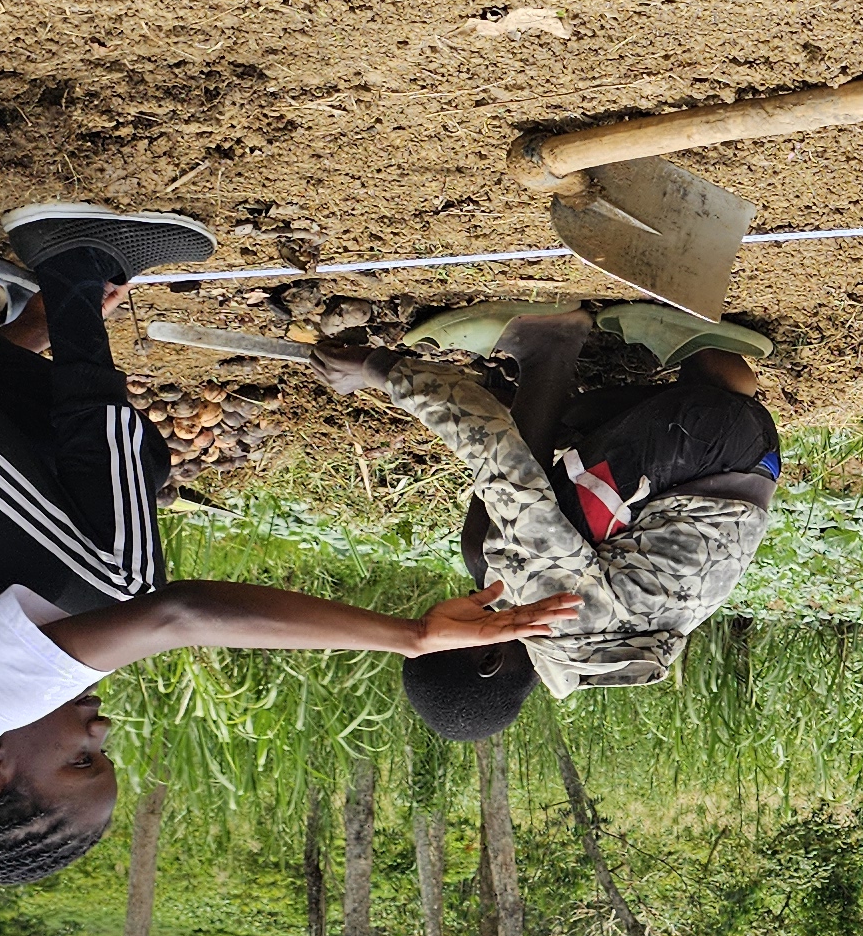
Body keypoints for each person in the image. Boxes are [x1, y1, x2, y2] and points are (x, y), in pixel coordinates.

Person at [0, 204, 569, 879]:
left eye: (82, 760)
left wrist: (409, 636)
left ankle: (74, 258)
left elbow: (175, 612)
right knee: (117, 503)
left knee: (112, 576)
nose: (101, 729)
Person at [309, 310, 783, 738]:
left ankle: (714, 377)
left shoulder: (595, 662)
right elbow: (506, 468)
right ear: (490, 658)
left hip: (750, 463)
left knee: (528, 531)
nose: (444, 608)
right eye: (441, 627)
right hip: (704, 438)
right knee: (490, 546)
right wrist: (379, 369)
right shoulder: (547, 615)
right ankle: (549, 345)